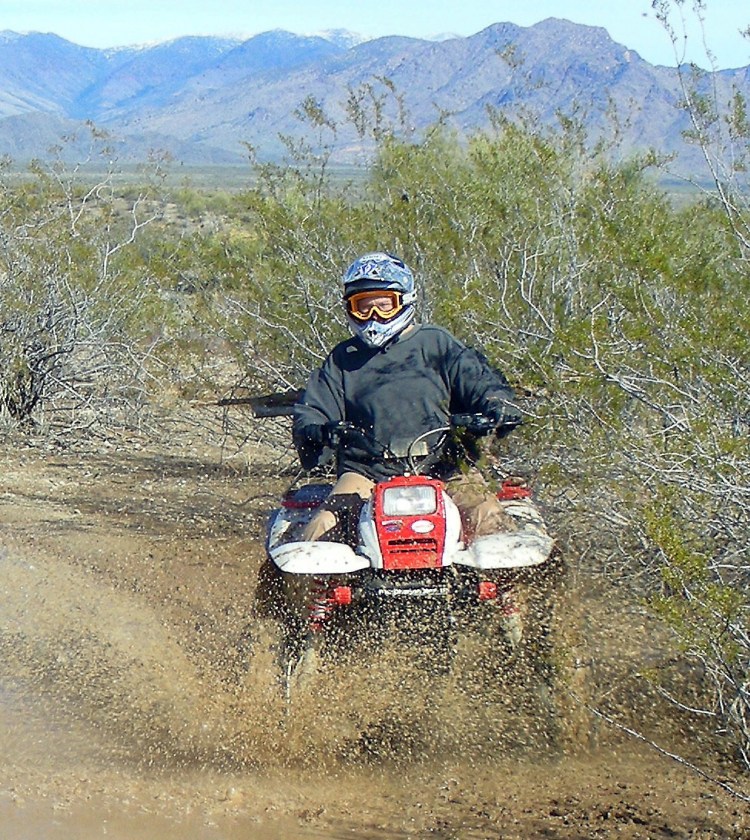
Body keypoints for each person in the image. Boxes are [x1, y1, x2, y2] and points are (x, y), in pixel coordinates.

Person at [292, 251, 524, 543]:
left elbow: (481, 382)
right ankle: (301, 590)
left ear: (405, 301)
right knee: (322, 528)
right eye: (363, 307)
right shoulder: (342, 360)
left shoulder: (437, 344)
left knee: (491, 519)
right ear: (349, 309)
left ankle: (521, 590)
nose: (373, 316)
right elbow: (312, 410)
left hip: (447, 468)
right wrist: (320, 430)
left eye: (383, 306)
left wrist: (499, 407)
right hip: (367, 474)